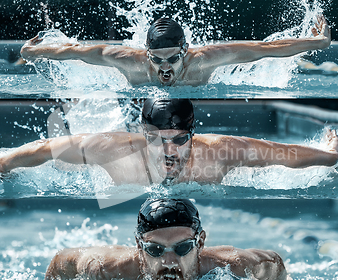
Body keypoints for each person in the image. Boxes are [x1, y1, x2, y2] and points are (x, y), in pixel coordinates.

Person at [1, 99, 338, 186]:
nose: (168, 152)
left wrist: (329, 157)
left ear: (193, 137)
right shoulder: (115, 150)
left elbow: (282, 155)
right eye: (155, 140)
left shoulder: (219, 151)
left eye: (179, 140)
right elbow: (45, 150)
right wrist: (4, 164)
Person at [42, 198, 287, 280]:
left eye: (182, 248)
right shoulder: (105, 269)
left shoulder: (235, 266)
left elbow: (275, 263)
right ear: (139, 246)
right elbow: (59, 262)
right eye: (155, 250)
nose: (169, 261)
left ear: (200, 243)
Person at [20, 15, 331, 87]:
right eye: (157, 59)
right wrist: (36, 51)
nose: (164, 65)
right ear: (146, 54)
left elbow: (266, 49)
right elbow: (76, 51)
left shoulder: (207, 59)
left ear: (186, 50)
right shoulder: (128, 61)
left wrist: (317, 43)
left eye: (173, 57)